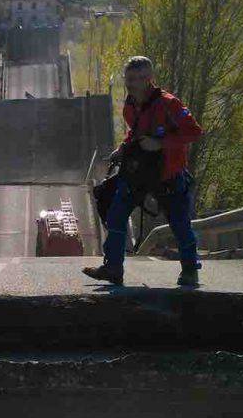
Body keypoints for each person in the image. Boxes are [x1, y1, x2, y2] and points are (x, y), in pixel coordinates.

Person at [84, 56, 204, 287]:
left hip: (169, 175)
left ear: (149, 79)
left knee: (180, 224)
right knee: (115, 214)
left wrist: (161, 144)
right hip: (139, 174)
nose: (132, 83)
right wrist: (123, 148)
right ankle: (113, 268)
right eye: (129, 78)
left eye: (138, 78)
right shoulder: (130, 105)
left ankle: (190, 270)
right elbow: (135, 133)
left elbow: (194, 132)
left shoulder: (169, 104)